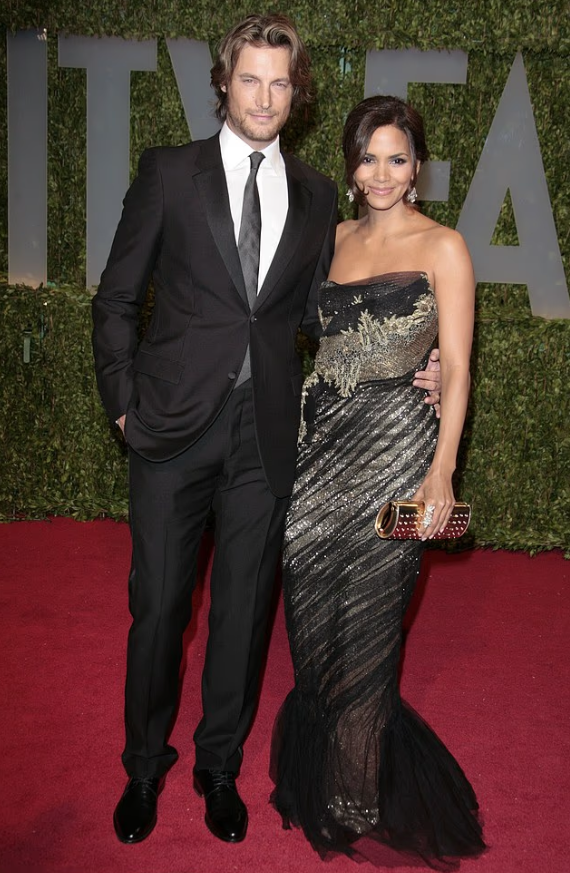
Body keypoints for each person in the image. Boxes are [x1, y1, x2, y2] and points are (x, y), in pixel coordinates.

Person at [92, 15, 440, 847]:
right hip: (170, 430)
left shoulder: (317, 195)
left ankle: (218, 765)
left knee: (244, 613)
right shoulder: (170, 173)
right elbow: (116, 299)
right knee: (159, 606)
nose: (264, 97)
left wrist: (414, 362)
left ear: (296, 94)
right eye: (250, 79)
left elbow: (327, 315)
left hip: (268, 436)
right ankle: (144, 764)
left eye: (280, 83)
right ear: (225, 83)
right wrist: (124, 404)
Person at [270, 95, 485, 865]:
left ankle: (355, 795)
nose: (382, 173)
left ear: (417, 166)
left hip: (397, 451)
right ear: (352, 166)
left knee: (367, 626)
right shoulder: (330, 239)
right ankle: (321, 770)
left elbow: (456, 367)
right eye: (368, 158)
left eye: (397, 158)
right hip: (320, 451)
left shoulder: (444, 246)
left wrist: (442, 470)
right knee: (309, 617)